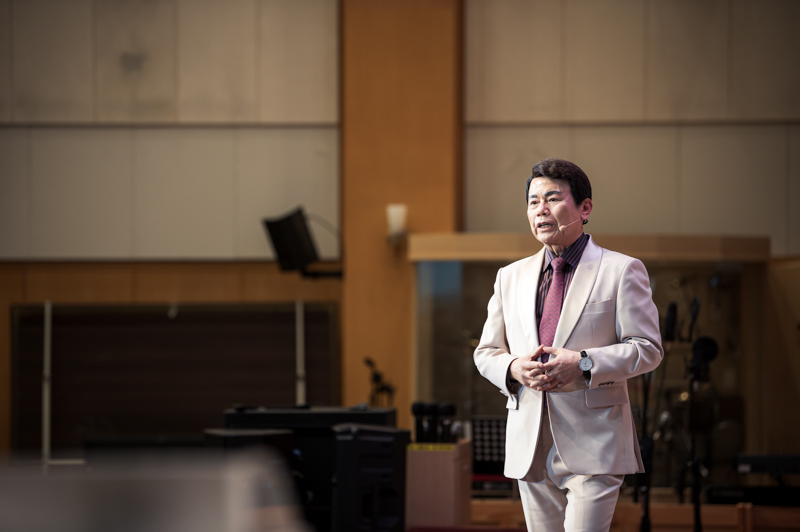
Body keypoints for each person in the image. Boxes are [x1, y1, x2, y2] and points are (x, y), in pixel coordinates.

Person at [473, 158, 663, 532]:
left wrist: (583, 363)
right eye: (533, 201)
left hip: (595, 441)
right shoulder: (510, 277)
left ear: (584, 208)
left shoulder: (621, 270)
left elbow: (647, 348)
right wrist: (513, 368)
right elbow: (486, 353)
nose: (540, 209)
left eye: (553, 198)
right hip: (530, 442)